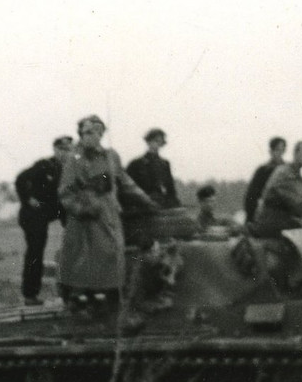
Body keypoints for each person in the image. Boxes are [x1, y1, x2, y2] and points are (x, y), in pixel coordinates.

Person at [57, 115, 157, 310]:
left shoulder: (111, 156)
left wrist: (145, 199)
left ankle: (111, 295)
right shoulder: (74, 159)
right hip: (84, 215)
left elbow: (125, 182)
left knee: (112, 253)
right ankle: (82, 298)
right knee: (84, 258)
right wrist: (80, 208)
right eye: (86, 133)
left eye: (96, 132)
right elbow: (65, 192)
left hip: (108, 211)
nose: (91, 137)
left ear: (101, 134)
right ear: (80, 134)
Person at [14, 136, 74, 305]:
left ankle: (72, 290)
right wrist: (28, 199)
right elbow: (20, 179)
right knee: (36, 250)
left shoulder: (70, 169)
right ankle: (30, 295)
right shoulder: (44, 165)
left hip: (55, 211)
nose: (65, 153)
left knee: (75, 241)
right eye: (62, 149)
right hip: (32, 213)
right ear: (55, 150)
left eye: (69, 149)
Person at [254, 140, 302, 237]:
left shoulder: (293, 173)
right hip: (270, 220)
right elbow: (299, 203)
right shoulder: (286, 173)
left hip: (276, 218)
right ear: (296, 154)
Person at [125, 128, 179, 209]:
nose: (156, 144)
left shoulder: (164, 164)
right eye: (154, 141)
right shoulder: (136, 164)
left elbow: (170, 189)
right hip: (142, 206)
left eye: (160, 142)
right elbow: (128, 187)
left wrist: (173, 203)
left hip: (162, 204)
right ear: (148, 141)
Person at [243, 136, 286, 224]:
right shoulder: (263, 171)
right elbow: (251, 196)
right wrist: (250, 218)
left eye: (282, 150)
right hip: (265, 214)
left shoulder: (287, 172)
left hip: (283, 214)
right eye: (277, 150)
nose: (280, 153)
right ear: (271, 151)